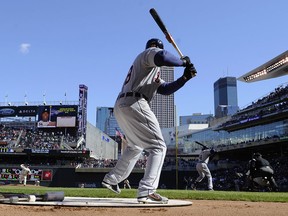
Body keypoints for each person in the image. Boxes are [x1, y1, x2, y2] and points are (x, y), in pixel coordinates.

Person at [102, 38, 197, 204]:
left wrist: (185, 78)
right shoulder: (149, 53)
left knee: (135, 146)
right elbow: (163, 56)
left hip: (122, 105)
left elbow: (165, 90)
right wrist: (183, 62)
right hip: (135, 102)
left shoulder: (151, 71)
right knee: (158, 146)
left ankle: (112, 179)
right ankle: (147, 190)